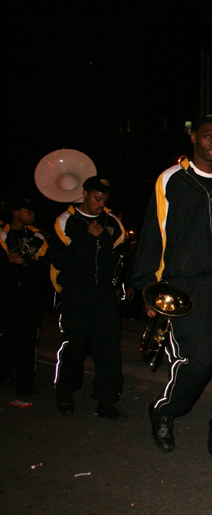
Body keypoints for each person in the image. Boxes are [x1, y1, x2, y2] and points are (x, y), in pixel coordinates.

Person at [131, 114, 212, 466]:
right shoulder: (172, 180)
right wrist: (148, 287)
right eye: (207, 136)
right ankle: (165, 410)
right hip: (185, 285)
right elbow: (154, 232)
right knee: (198, 361)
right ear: (194, 139)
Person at [50, 176, 127, 419]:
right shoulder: (66, 221)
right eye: (97, 198)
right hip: (77, 293)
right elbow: (60, 260)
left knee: (108, 348)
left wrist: (122, 284)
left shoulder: (112, 222)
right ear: (84, 194)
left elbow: (121, 258)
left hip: (104, 295)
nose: (101, 203)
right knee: (76, 344)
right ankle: (65, 391)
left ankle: (106, 399)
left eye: (105, 199)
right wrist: (88, 239)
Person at [0, 197, 49, 396]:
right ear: (16, 212)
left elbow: (43, 267)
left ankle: (25, 384)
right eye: (27, 211)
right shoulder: (2, 233)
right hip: (6, 295)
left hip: (29, 296)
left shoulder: (37, 237)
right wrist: (7, 261)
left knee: (29, 341)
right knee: (6, 338)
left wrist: (23, 263)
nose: (33, 215)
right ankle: (4, 375)